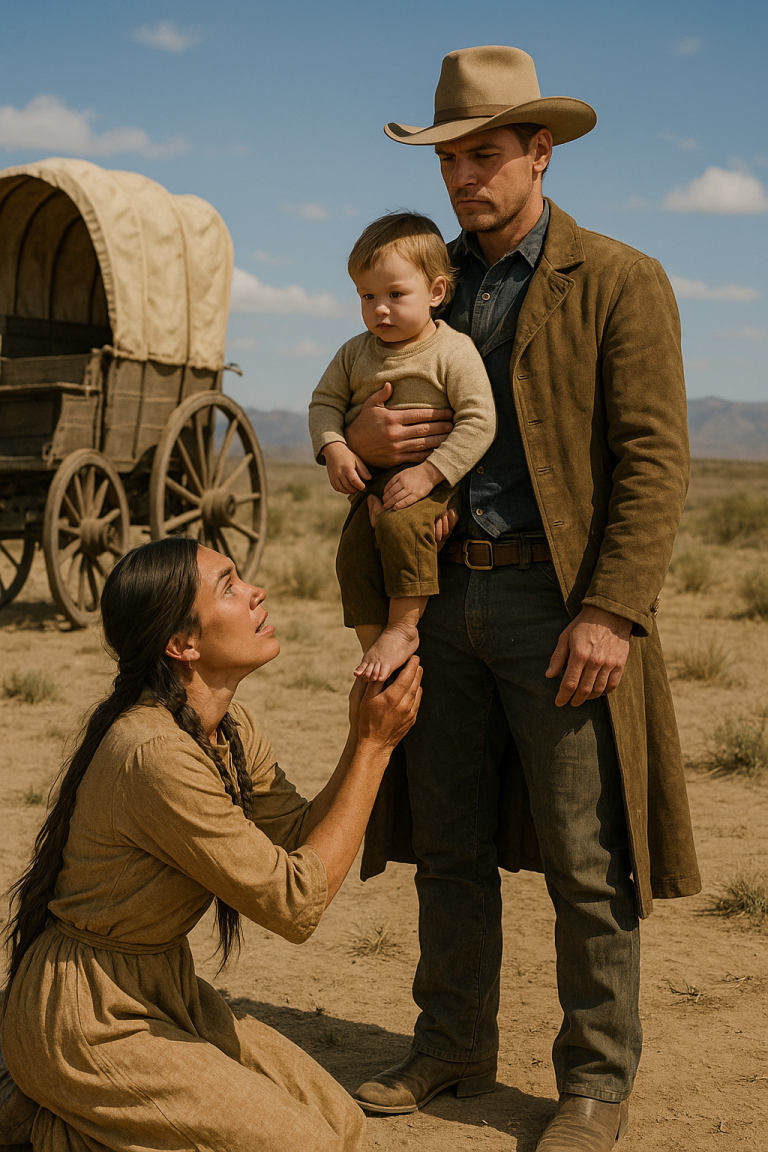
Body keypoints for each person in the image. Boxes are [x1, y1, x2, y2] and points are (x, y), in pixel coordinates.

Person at [345, 45, 701, 1151]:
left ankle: (594, 1080)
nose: (463, 177)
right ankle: (452, 1043)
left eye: (485, 155)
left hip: (561, 605)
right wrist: (354, 442)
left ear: (540, 154)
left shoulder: (621, 278)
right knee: (446, 845)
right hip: (439, 598)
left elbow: (654, 459)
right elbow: (367, 417)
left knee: (586, 860)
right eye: (451, 157)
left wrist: (611, 611)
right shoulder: (421, 280)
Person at [0, 537, 422, 1152]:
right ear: (183, 645)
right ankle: (48, 1118)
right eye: (228, 586)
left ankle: (73, 1120)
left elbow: (299, 839)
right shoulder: (154, 754)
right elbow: (296, 904)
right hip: (83, 1016)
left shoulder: (227, 727)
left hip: (163, 988)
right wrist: (374, 749)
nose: (257, 592)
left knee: (342, 1123)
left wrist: (362, 735)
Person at [309, 212, 495, 682]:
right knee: (352, 552)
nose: (380, 310)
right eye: (367, 297)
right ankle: (374, 643)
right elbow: (324, 403)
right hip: (373, 478)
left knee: (398, 527)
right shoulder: (355, 352)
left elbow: (479, 420)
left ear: (435, 292)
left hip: (431, 477)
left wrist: (430, 474)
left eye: (395, 294)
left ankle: (404, 627)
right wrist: (336, 448)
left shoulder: (452, 351)